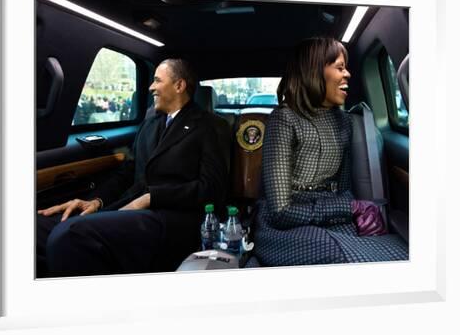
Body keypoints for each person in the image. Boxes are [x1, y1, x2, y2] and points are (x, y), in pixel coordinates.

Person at [37, 58, 228, 277]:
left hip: (171, 219)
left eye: (157, 80)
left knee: (69, 235)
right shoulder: (150, 124)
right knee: (37, 229)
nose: (150, 87)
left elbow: (212, 188)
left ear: (179, 85)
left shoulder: (209, 126)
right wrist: (97, 201)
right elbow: (126, 172)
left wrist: (151, 198)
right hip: (131, 208)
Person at [247, 38, 408, 267]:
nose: (348, 75)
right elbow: (281, 212)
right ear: (314, 72)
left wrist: (360, 212)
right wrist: (350, 208)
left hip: (334, 220)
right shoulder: (283, 119)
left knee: (398, 252)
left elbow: (343, 189)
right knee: (337, 255)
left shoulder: (343, 122)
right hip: (285, 227)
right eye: (340, 67)